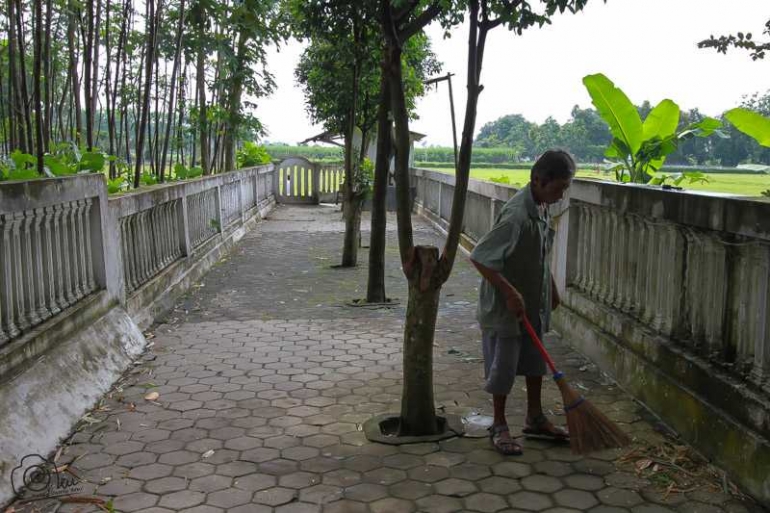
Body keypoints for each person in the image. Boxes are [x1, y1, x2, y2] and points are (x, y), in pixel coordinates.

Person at [469, 149, 575, 456]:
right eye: (558, 189)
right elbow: (481, 257)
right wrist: (509, 292)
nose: (561, 195)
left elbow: (540, 256)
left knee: (533, 364)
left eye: (565, 189)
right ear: (539, 180)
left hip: (532, 304)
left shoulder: (541, 207)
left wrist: (551, 289)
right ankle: (499, 425)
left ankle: (535, 418)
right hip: (505, 310)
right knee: (502, 369)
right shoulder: (516, 216)